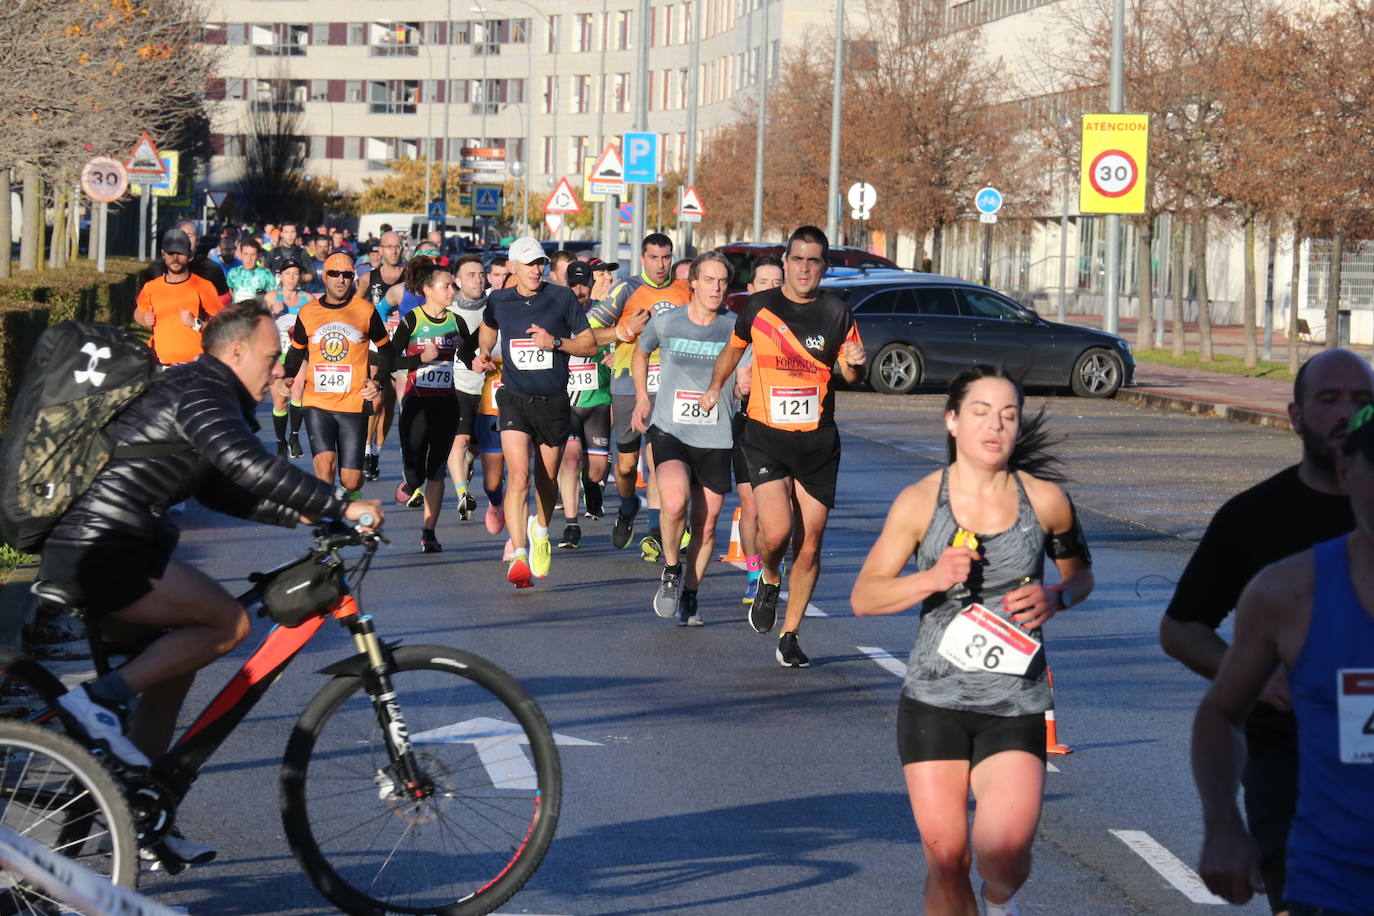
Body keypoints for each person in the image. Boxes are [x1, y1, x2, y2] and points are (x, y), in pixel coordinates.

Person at [43, 301, 383, 866]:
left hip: (114, 544)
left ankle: (142, 815)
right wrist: (338, 503)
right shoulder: (202, 390)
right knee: (228, 623)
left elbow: (220, 489)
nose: (279, 369)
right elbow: (243, 462)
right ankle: (95, 703)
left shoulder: (208, 391)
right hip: (102, 546)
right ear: (236, 351)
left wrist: (303, 513)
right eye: (271, 358)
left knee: (174, 669)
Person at [850, 365, 1094, 916]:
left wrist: (1058, 597)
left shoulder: (1046, 502)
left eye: (1008, 415)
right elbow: (865, 595)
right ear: (953, 421)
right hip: (934, 702)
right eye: (981, 412)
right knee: (947, 858)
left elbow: (1081, 576)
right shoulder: (920, 502)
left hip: (1015, 703)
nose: (995, 425)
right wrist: (933, 578)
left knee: (1004, 857)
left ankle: (1000, 901)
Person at [1162, 348, 1374, 916]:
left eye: (1362, 401)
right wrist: (1254, 676)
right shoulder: (1258, 528)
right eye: (1329, 399)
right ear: (1295, 416)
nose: (1346, 413)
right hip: (1295, 778)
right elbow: (1182, 630)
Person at [700, 225, 866, 667]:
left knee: (809, 544)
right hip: (765, 437)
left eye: (814, 260)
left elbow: (852, 375)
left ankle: (790, 634)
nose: (805, 268)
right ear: (786, 261)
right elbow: (732, 351)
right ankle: (770, 577)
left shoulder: (837, 312)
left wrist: (855, 365)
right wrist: (715, 386)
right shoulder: (759, 307)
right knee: (775, 533)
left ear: (824, 266)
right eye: (798, 259)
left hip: (817, 442)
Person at [474, 237, 597, 588]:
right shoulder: (499, 300)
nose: (536, 269)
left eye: (540, 262)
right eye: (529, 264)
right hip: (514, 398)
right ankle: (519, 552)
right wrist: (484, 352)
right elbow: (488, 327)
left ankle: (540, 531)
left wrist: (554, 342)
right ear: (512, 267)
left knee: (546, 480)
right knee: (519, 477)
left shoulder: (561, 297)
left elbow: (589, 344)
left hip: (552, 401)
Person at [632, 252, 738, 626]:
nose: (716, 288)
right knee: (675, 502)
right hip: (671, 429)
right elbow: (640, 351)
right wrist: (642, 397)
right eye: (709, 280)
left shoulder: (734, 327)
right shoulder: (667, 322)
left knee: (706, 525)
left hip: (716, 435)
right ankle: (672, 570)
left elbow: (748, 368)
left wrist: (742, 385)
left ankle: (690, 592)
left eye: (722, 281)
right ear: (693, 283)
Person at [586, 233, 681, 558]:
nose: (660, 264)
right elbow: (587, 331)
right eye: (654, 258)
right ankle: (627, 506)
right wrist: (623, 333)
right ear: (643, 259)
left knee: (659, 462)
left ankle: (654, 532)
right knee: (626, 467)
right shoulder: (626, 289)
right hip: (628, 386)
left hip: (668, 388)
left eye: (666, 257)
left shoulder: (684, 290)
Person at [282, 252, 395, 498]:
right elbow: (296, 351)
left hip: (353, 404)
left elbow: (388, 351)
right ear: (325, 277)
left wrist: (377, 382)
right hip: (317, 403)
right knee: (325, 467)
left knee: (351, 481)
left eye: (346, 275)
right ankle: (329, 513)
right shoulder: (308, 312)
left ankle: (349, 493)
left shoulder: (365, 310)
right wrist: (286, 376)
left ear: (353, 278)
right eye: (334, 274)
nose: (340, 279)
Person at [390, 256, 478, 552]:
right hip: (416, 405)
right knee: (416, 476)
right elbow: (389, 359)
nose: (452, 291)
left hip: (447, 404)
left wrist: (476, 358)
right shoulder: (413, 320)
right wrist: (419, 359)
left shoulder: (457, 321)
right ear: (428, 290)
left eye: (453, 286)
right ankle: (408, 485)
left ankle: (429, 533)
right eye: (446, 286)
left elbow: (469, 356)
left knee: (436, 471)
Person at [735, 254, 784, 604]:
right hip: (748, 427)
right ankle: (755, 576)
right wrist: (740, 388)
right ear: (752, 288)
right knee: (751, 508)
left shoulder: (796, 329)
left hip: (788, 432)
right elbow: (724, 380)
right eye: (764, 283)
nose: (770, 289)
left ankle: (772, 565)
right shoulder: (740, 329)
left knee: (781, 517)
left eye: (776, 283)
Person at [557, 260, 613, 548]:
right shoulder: (556, 313)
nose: (579, 290)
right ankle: (571, 523)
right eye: (573, 285)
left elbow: (625, 340)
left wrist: (618, 356)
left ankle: (592, 486)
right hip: (565, 401)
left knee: (597, 471)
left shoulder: (605, 314)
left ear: (592, 286)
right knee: (570, 459)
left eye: (584, 285)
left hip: (598, 399)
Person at [135, 229, 224, 367]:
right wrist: (144, 319)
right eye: (171, 253)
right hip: (161, 365)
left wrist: (196, 323)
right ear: (163, 254)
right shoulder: (151, 287)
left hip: (194, 365)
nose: (175, 258)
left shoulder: (203, 286)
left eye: (180, 253)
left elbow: (221, 324)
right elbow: (138, 313)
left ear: (189, 254)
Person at [445, 254, 491, 521]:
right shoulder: (449, 312)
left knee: (476, 447)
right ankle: (463, 495)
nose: (478, 280)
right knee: (459, 441)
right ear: (458, 280)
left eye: (481, 275)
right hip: (459, 387)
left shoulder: (495, 309)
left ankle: (469, 462)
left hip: (489, 389)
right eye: (471, 275)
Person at [360, 231, 407, 481]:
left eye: (397, 246)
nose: (393, 251)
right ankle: (366, 450)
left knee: (389, 405)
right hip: (376, 345)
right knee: (376, 400)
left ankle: (376, 452)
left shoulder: (410, 277)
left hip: (401, 346)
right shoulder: (369, 278)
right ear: (380, 250)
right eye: (389, 246)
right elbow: (355, 306)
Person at [266, 259, 314, 457]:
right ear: (281, 276)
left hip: (298, 353)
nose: (292, 278)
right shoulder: (272, 296)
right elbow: (258, 321)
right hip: (277, 355)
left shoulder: (307, 299)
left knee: (298, 391)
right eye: (288, 274)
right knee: (280, 402)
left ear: (300, 277)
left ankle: (294, 436)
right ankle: (280, 442)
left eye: (295, 274)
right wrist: (271, 311)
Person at [141, 219, 231, 308]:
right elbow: (142, 302)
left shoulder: (210, 269)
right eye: (180, 235)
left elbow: (224, 301)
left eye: (188, 235)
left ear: (197, 240)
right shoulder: (157, 268)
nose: (184, 240)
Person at [225, 237, 275, 304]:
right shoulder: (233, 273)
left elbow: (272, 297)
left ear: (258, 256)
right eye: (246, 254)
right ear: (241, 255)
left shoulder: (266, 275)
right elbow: (229, 295)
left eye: (253, 255)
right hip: (237, 309)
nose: (249, 259)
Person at [265, 222, 313, 287]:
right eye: (286, 232)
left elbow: (312, 275)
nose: (290, 235)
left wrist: (296, 278)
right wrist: (275, 279)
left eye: (293, 232)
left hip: (297, 290)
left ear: (296, 234)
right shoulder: (273, 252)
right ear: (282, 234)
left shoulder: (302, 253)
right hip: (277, 290)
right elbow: (265, 273)